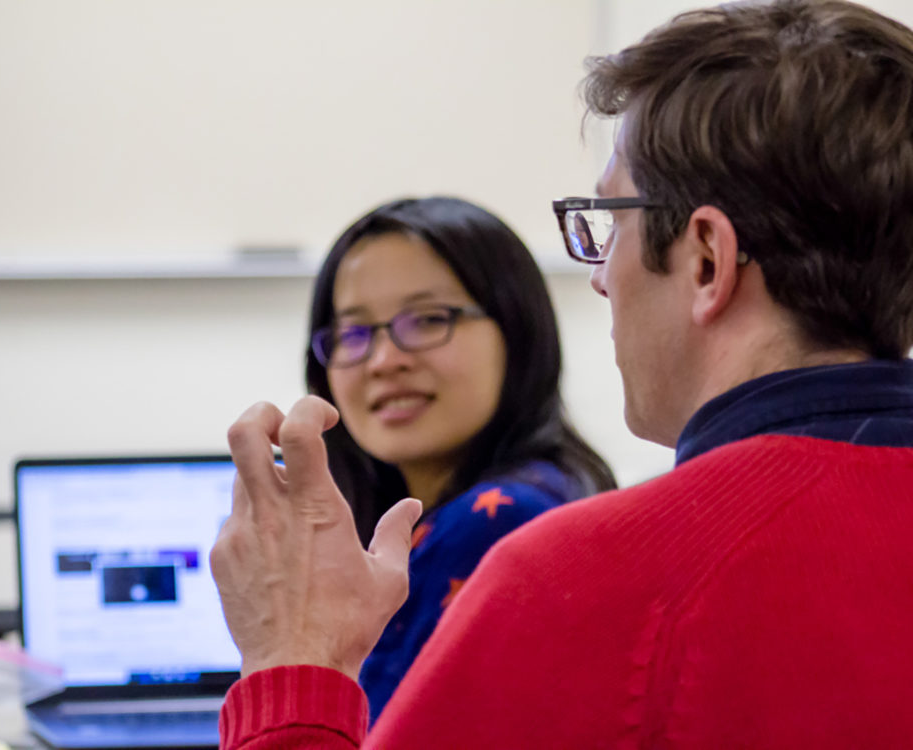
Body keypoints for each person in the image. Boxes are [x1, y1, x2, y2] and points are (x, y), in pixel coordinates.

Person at [209, 0, 913, 746]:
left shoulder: (578, 576)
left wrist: (291, 658)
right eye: (355, 332)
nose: (600, 278)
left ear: (707, 259)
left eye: (611, 223)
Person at [303, 196, 615, 721]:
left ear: (517, 330)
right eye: (353, 332)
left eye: (429, 319)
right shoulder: (552, 487)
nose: (384, 361)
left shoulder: (494, 521)